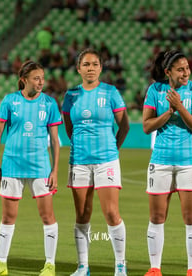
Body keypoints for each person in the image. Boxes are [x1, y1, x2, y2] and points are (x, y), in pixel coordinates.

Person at [0, 61, 62, 276]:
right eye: (36, 78)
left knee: (47, 216)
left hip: (40, 167)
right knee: (8, 217)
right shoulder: (10, 101)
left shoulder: (50, 103)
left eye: (42, 78)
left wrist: (54, 171)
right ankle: (1, 264)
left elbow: (55, 141)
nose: (41, 82)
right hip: (11, 165)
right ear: (24, 79)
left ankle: (49, 265)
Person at [62, 48, 130, 276]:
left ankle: (120, 266)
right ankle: (83, 267)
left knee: (111, 212)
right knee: (82, 214)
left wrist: (113, 149)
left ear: (101, 68)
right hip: (79, 161)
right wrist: (81, 145)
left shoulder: (111, 92)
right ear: (78, 68)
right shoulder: (71, 95)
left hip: (106, 161)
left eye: (94, 64)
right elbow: (69, 127)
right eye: (86, 64)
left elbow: (124, 126)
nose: (90, 68)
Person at [142, 50, 192, 276]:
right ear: (168, 72)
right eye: (180, 69)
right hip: (160, 160)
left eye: (187, 68)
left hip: (189, 162)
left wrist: (180, 107)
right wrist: (168, 113)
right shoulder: (155, 90)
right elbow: (147, 126)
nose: (186, 73)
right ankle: (155, 268)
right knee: (157, 217)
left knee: (191, 218)